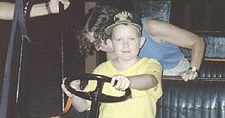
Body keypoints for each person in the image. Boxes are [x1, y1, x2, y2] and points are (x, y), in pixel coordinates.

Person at [63, 11, 162, 118]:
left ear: (141, 42)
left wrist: (128, 81)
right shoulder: (102, 69)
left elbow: (151, 80)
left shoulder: (150, 65)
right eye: (119, 40)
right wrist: (74, 91)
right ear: (111, 43)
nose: (125, 44)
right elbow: (82, 107)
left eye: (131, 39)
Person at [76, 5, 205, 81]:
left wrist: (192, 70)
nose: (98, 48)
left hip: (176, 73)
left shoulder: (151, 27)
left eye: (99, 42)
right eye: (94, 44)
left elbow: (197, 42)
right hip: (147, 76)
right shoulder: (113, 50)